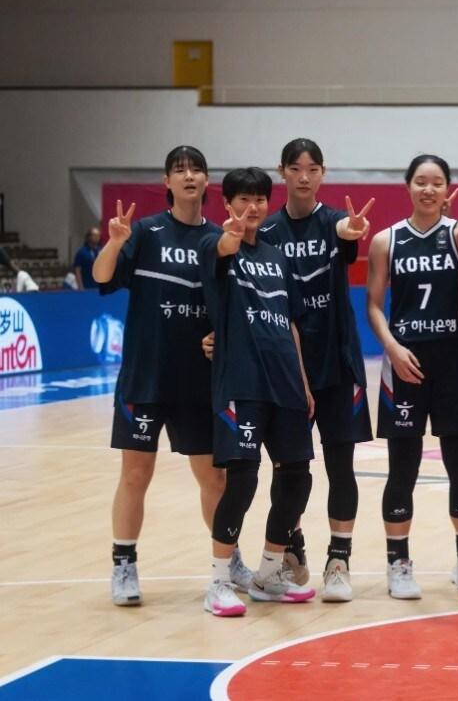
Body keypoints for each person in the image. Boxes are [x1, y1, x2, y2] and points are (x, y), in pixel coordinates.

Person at [91, 146, 230, 607]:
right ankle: (124, 564)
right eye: (179, 170)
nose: (188, 175)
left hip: (198, 379)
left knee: (214, 480)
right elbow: (101, 277)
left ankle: (228, 561)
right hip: (146, 376)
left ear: (207, 181)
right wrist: (114, 241)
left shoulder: (218, 238)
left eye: (196, 169)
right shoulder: (145, 232)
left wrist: (218, 335)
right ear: (167, 182)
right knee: (136, 474)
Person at [366, 155, 458, 600]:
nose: (428, 189)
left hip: (456, 363)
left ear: (447, 189)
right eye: (420, 181)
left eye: (436, 182)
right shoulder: (386, 240)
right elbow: (375, 305)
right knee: (403, 467)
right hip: (404, 366)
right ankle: (398, 563)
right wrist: (393, 348)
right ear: (407, 186)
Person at [257, 138, 375, 602]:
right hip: (287, 368)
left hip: (337, 364)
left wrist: (354, 230)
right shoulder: (266, 235)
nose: (304, 176)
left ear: (323, 174)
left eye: (313, 169)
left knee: (340, 465)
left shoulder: (334, 224)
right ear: (282, 172)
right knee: (290, 469)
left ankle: (339, 560)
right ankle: (293, 547)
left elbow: (348, 235)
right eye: (295, 168)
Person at [199, 167, 318, 617]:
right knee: (243, 479)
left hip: (285, 382)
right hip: (242, 383)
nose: (252, 208)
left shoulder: (277, 256)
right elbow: (226, 246)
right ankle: (218, 580)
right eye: (243, 200)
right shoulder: (216, 245)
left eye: (260, 200)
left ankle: (269, 573)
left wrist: (303, 381)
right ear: (227, 204)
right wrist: (231, 237)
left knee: (297, 477)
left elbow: (289, 322)